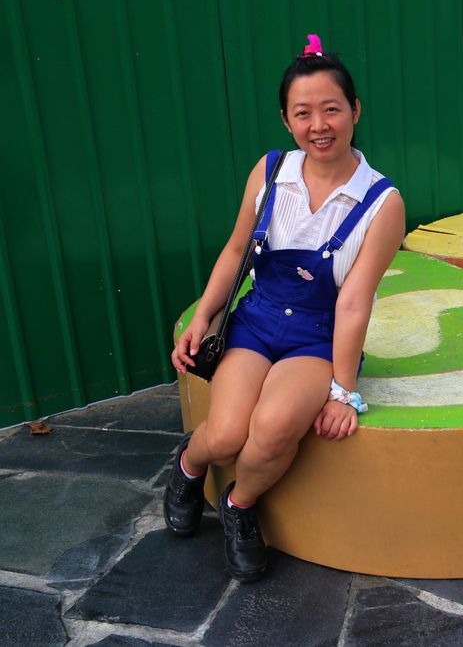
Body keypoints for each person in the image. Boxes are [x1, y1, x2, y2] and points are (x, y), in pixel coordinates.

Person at [167, 34, 405, 582]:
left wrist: (344, 392)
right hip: (256, 322)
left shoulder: (382, 202)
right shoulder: (271, 172)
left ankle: (239, 504)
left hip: (318, 337)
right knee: (225, 435)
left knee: (273, 428)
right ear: (286, 119)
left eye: (331, 109)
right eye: (303, 113)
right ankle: (189, 465)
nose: (319, 125)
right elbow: (236, 251)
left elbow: (353, 303)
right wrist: (203, 317)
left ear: (355, 111)